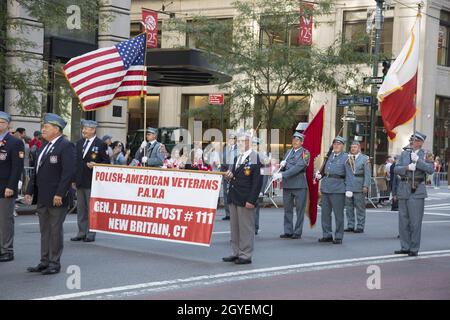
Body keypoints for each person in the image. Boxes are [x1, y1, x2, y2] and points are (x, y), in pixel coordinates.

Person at [25, 113, 76, 275]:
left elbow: (68, 172)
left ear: (56, 129)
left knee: (55, 230)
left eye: (46, 127)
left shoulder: (65, 146)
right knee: (45, 230)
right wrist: (29, 191)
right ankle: (44, 261)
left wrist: (60, 193)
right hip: (43, 196)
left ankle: (54, 263)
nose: (43, 130)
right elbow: (37, 171)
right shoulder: (44, 146)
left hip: (56, 197)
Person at [222, 132, 261, 265]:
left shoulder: (255, 158)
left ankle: (245, 254)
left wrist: (252, 200)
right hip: (234, 196)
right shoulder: (237, 157)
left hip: (246, 198)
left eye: (241, 141)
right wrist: (229, 175)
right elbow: (235, 176)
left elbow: (257, 182)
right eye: (237, 141)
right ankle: (236, 252)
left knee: (246, 228)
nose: (238, 143)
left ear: (249, 142)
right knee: (235, 227)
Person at [393, 131, 434, 257]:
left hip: (417, 190)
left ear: (420, 142)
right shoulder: (405, 153)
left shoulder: (426, 155)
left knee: (415, 222)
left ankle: (414, 248)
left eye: (415, 140)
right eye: (411, 139)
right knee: (403, 220)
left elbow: (431, 170)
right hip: (404, 188)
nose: (411, 142)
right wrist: (406, 168)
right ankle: (405, 246)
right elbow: (395, 169)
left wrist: (419, 162)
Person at [71, 120, 110, 243]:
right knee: (81, 208)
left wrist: (97, 164)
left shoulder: (100, 144)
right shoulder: (79, 143)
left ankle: (91, 232)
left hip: (92, 180)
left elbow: (107, 162)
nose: (84, 131)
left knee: (91, 208)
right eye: (83, 128)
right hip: (80, 180)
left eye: (86, 129)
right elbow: (75, 162)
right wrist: (73, 179)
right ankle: (81, 232)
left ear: (93, 130)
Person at [315, 136, 354, 244]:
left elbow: (350, 175)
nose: (336, 146)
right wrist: (320, 175)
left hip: (338, 189)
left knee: (338, 214)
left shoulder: (347, 157)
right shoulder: (329, 156)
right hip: (326, 187)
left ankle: (338, 236)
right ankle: (327, 234)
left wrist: (349, 189)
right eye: (335, 144)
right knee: (325, 214)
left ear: (343, 146)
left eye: (339, 144)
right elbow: (325, 171)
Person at [273, 132, 310, 239]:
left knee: (299, 210)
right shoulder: (288, 152)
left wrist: (282, 174)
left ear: (302, 142)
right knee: (287, 209)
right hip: (288, 184)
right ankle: (288, 231)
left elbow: (298, 167)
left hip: (299, 184)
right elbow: (286, 167)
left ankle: (297, 232)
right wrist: (282, 165)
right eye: (293, 140)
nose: (295, 142)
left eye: (297, 140)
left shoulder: (305, 153)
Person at [0, 112, 25, 262]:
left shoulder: (14, 142)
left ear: (8, 124)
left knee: (5, 220)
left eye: (2, 122)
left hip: (6, 187)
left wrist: (11, 186)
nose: (0, 125)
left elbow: (17, 167)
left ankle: (7, 250)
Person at [344, 141, 371, 233]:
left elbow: (367, 174)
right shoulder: (347, 158)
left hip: (359, 184)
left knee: (360, 207)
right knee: (348, 207)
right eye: (351, 147)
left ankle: (360, 226)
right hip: (348, 185)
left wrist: (366, 185)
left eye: (355, 147)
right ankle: (350, 225)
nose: (353, 149)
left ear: (359, 148)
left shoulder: (364, 159)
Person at [220, 132, 238, 221]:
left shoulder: (238, 150)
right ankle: (228, 214)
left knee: (233, 193)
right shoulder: (225, 149)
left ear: (235, 140)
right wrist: (222, 174)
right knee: (225, 194)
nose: (231, 140)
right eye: (229, 139)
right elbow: (222, 162)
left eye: (232, 139)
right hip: (225, 174)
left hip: (234, 174)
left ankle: (234, 214)